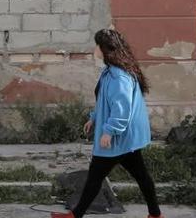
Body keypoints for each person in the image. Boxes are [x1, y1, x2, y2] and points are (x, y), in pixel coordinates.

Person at [52, 29, 163, 218]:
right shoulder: (111, 72)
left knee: (95, 177)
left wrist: (108, 132)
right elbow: (106, 102)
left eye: (97, 45)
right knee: (141, 176)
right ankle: (155, 215)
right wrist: (94, 117)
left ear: (105, 49)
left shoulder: (118, 76)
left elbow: (122, 109)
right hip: (126, 139)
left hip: (118, 138)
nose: (95, 48)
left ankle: (75, 215)